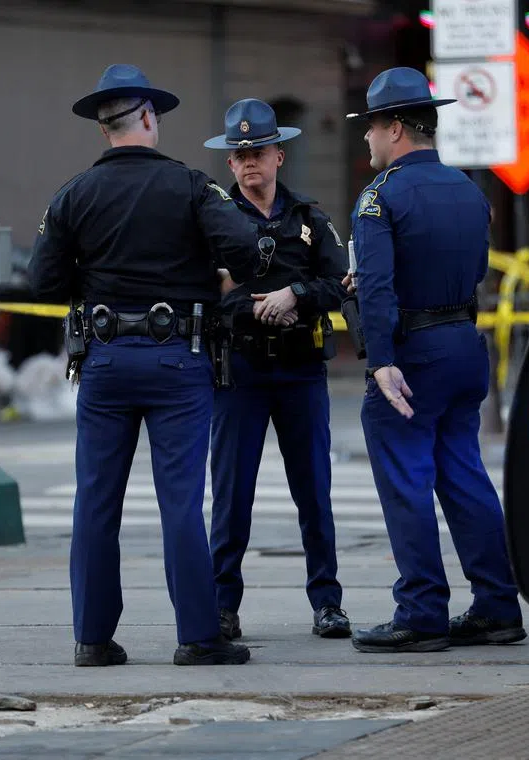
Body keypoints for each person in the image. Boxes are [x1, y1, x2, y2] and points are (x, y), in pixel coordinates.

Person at [27, 64, 259, 667]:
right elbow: (245, 252)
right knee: (180, 501)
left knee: (95, 500)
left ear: (104, 128)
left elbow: (45, 281)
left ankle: (93, 638)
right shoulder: (190, 185)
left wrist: (99, 290)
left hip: (104, 360)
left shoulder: (73, 193)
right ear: (150, 118)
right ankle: (198, 636)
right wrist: (200, 273)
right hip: (177, 360)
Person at [342, 67, 527, 653]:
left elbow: (374, 288)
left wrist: (380, 361)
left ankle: (421, 611)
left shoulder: (380, 197)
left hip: (411, 357)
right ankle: (498, 606)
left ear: (395, 127)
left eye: (371, 125)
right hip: (463, 345)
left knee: (407, 483)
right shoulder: (468, 189)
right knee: (465, 476)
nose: (366, 138)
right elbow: (474, 272)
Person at [201, 98, 351, 641]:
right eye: (238, 155)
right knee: (231, 494)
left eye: (258, 151)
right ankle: (222, 605)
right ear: (229, 163)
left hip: (300, 369)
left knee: (313, 489)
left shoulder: (309, 218)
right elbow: (201, 291)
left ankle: (327, 602)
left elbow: (342, 282)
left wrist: (296, 294)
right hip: (238, 371)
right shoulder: (214, 222)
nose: (248, 163)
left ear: (279, 155)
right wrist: (250, 305)